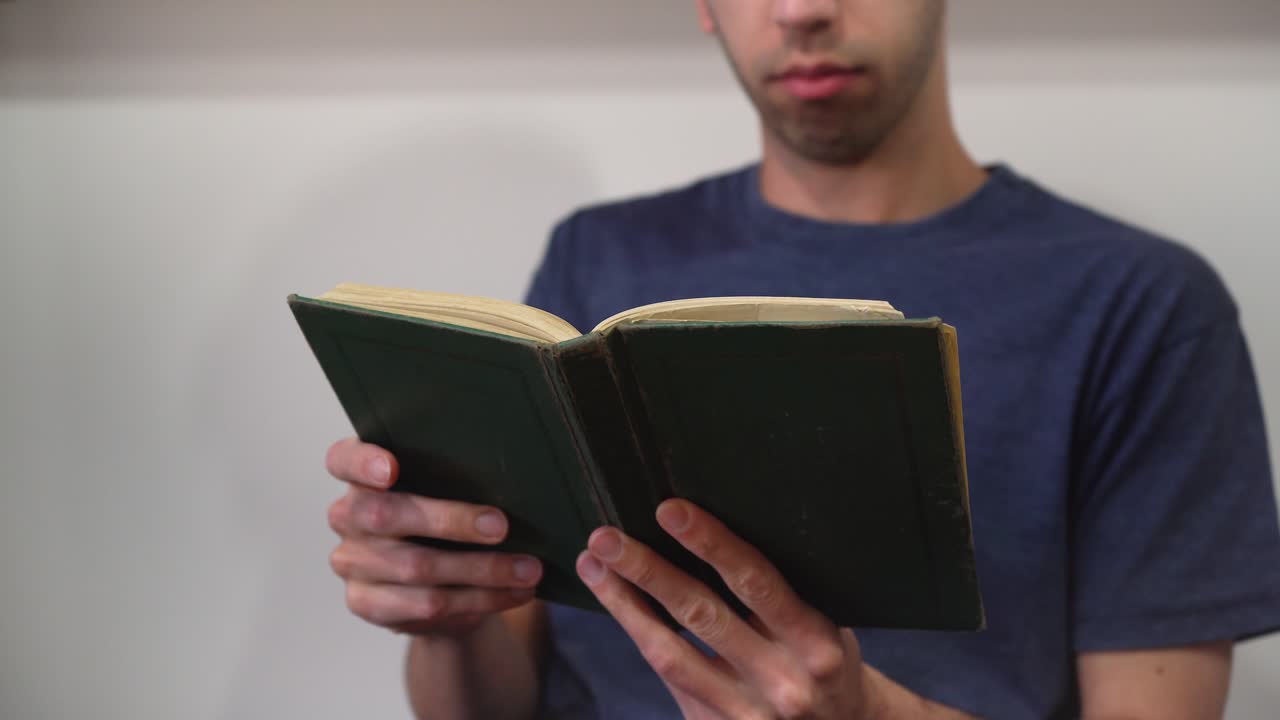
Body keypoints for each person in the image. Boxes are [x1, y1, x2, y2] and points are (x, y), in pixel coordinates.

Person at [321, 1, 1280, 718]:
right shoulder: (593, 258)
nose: (800, 10)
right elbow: (492, 701)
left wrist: (868, 715)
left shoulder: (1139, 302)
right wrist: (448, 620)